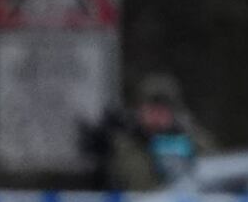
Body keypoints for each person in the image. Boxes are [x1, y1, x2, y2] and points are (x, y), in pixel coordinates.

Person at [84, 74, 212, 193]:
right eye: (151, 110)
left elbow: (213, 172)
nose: (156, 117)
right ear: (139, 110)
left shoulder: (193, 143)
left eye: (162, 110)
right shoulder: (122, 144)